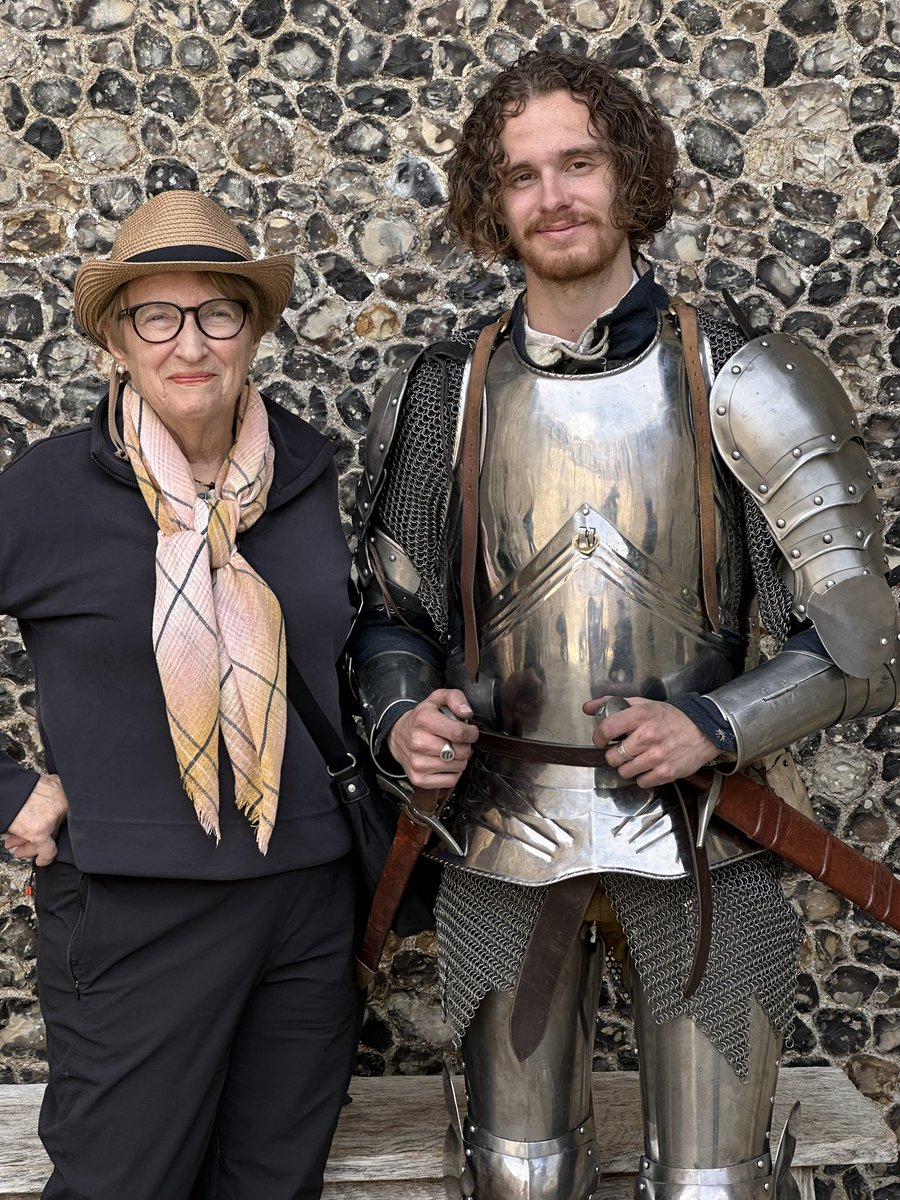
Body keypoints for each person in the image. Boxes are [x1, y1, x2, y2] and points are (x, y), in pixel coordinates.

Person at [350, 51, 900, 1200]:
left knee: (713, 1182)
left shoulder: (743, 377)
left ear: (630, 175)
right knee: (516, 1172)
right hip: (503, 829)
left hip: (701, 826)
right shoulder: (447, 388)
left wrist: (716, 721)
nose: (552, 197)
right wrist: (404, 716)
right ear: (491, 203)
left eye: (578, 163)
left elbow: (863, 639)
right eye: (522, 176)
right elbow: (391, 618)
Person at [0, 189, 359, 1200]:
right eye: (155, 315)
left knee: (271, 1187)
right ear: (115, 340)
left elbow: (357, 644)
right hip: (132, 913)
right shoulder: (47, 492)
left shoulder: (307, 479)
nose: (187, 341)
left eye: (217, 312)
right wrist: (8, 792)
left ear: (254, 331)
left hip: (306, 904)